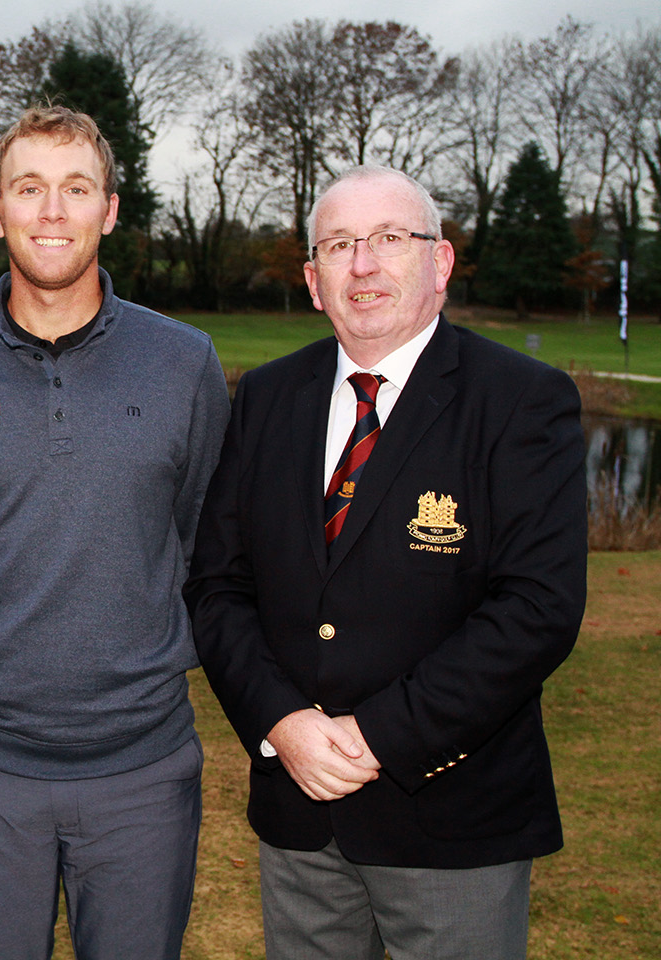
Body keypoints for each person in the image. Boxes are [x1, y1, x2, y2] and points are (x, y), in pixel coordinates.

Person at [184, 165, 587, 960]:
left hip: (452, 822)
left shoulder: (521, 400)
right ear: (313, 281)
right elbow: (218, 586)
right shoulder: (266, 399)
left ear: (439, 262)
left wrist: (378, 736)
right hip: (299, 816)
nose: (362, 264)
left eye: (389, 238)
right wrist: (281, 724)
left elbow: (537, 609)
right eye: (338, 245)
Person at [0, 106, 229, 959]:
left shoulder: (185, 362)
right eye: (28, 188)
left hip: (144, 767)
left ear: (109, 210)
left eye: (76, 189)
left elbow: (201, 537)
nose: (51, 211)